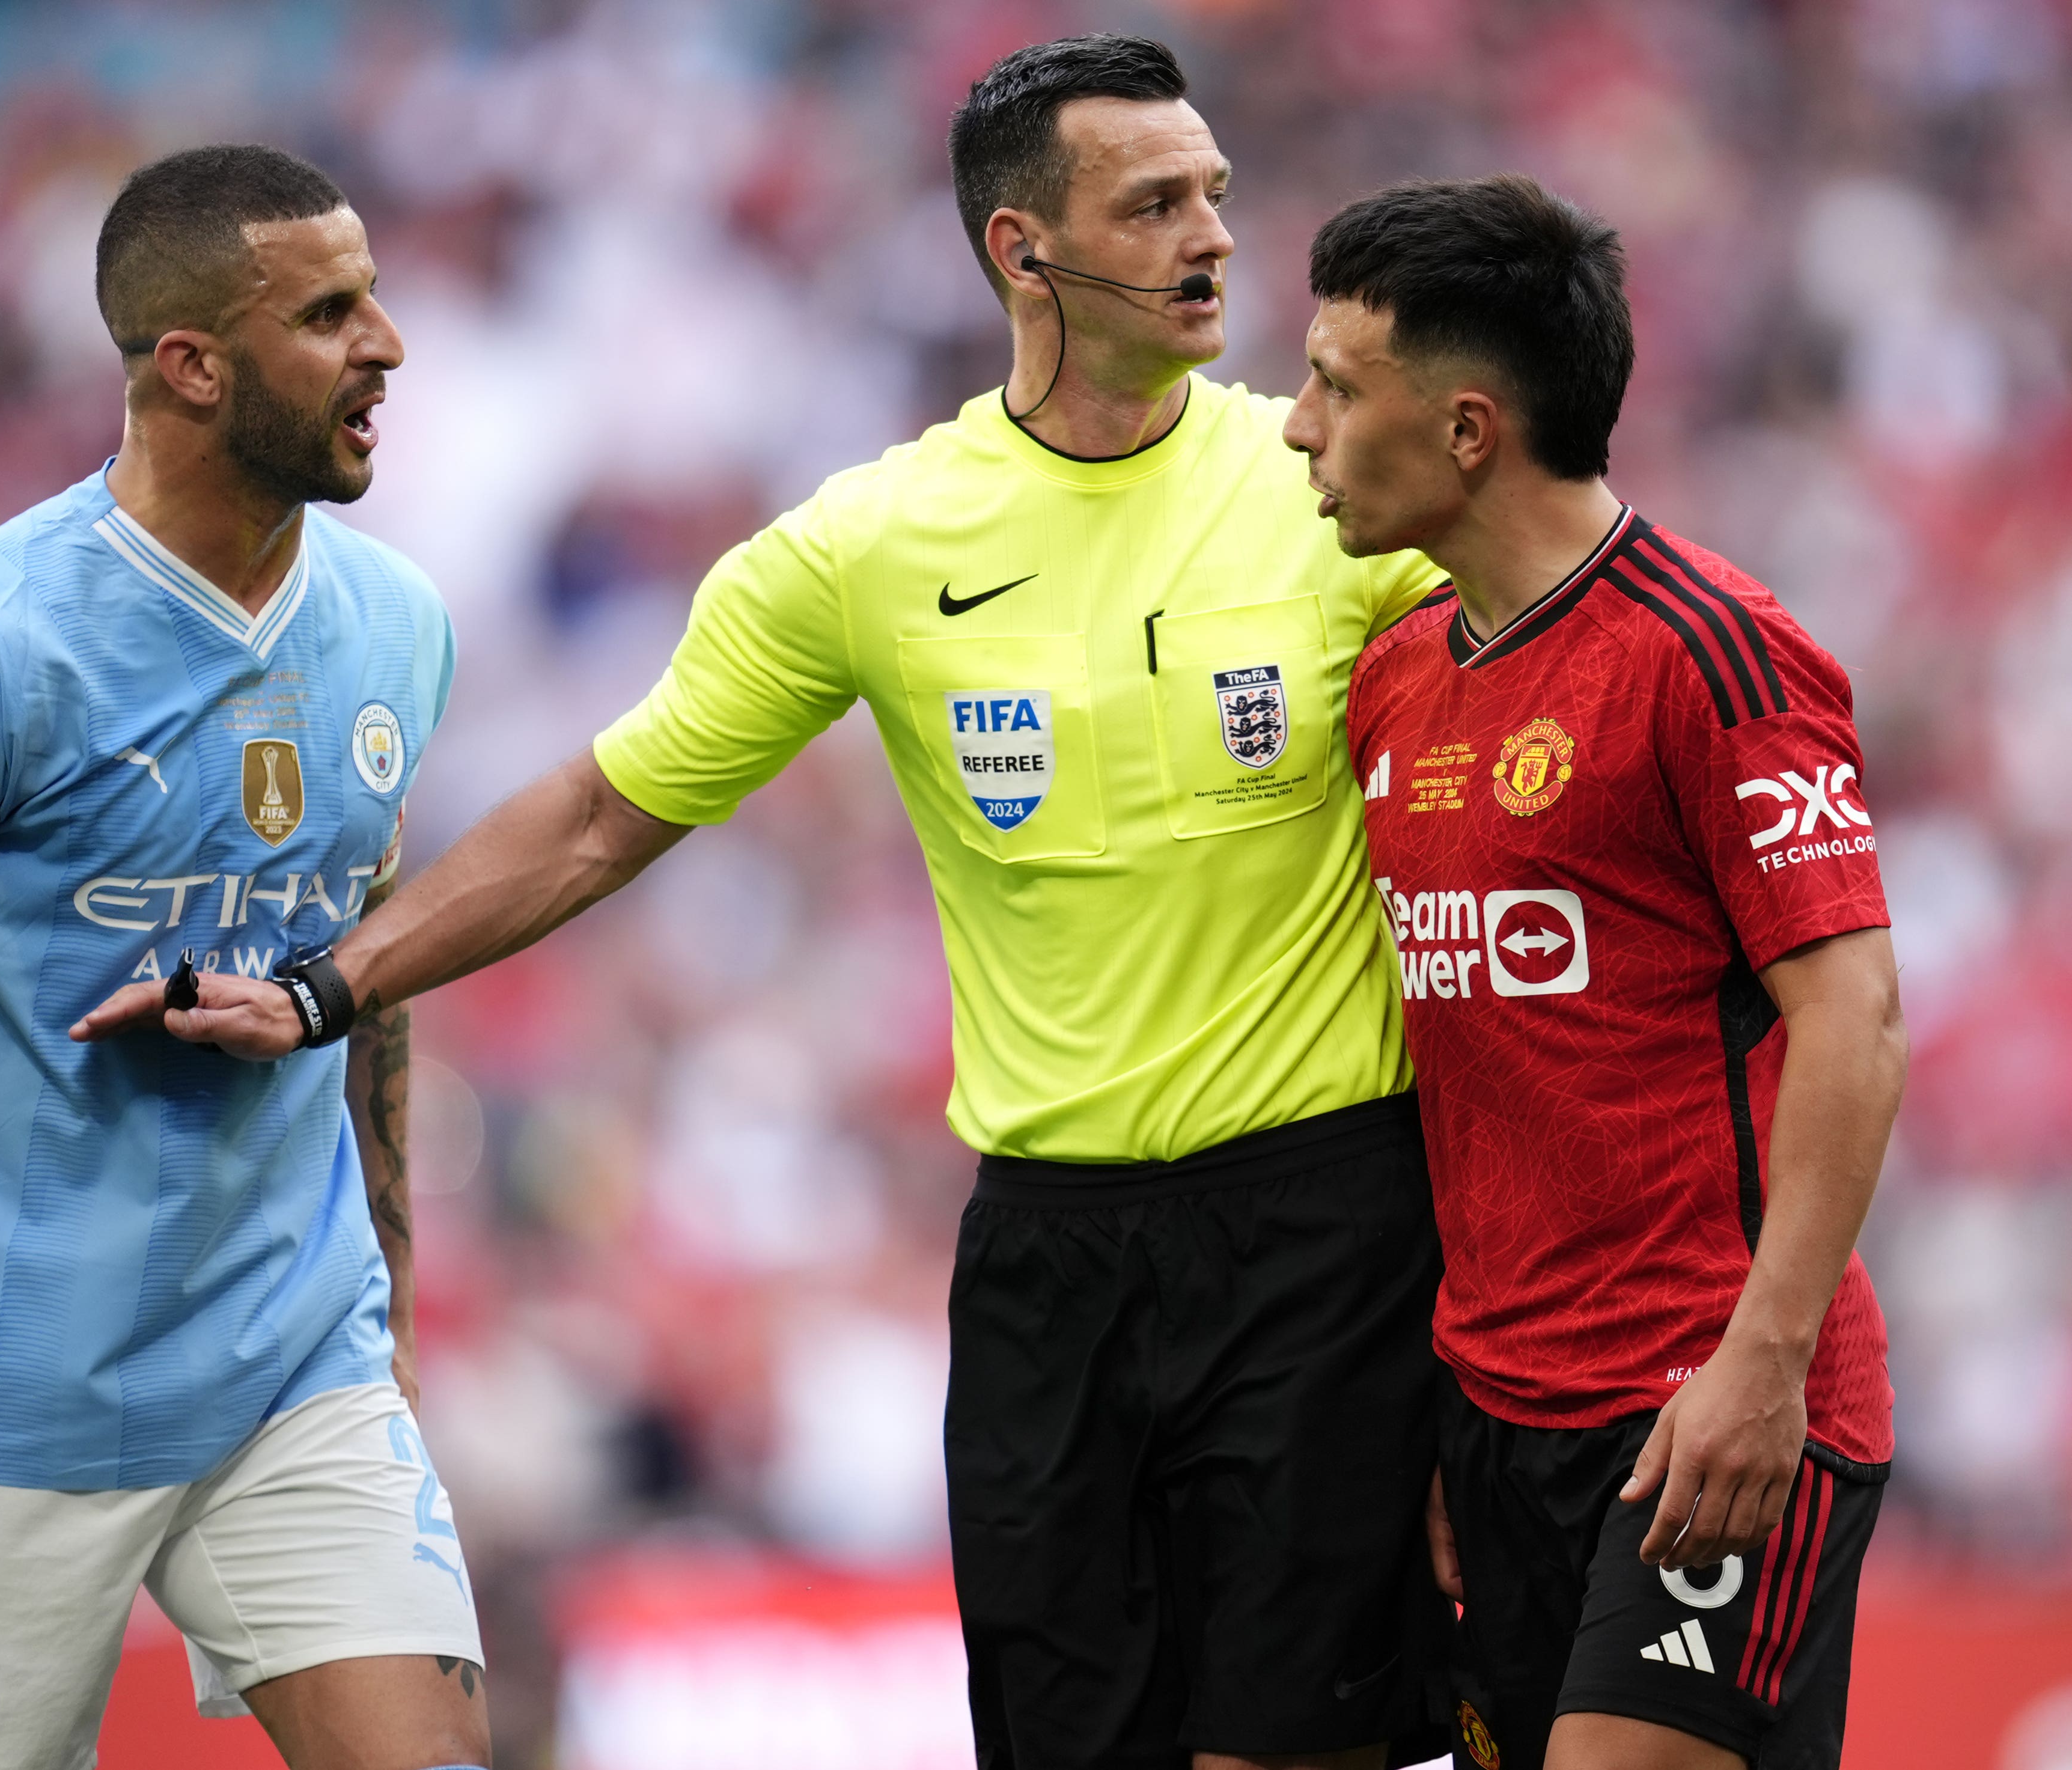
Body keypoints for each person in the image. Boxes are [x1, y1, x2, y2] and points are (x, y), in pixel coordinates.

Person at [157, 34, 1456, 1770]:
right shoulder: (871, 541)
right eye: (1153, 203)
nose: (1212, 235)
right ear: (1021, 250)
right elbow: (603, 814)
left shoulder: (1338, 494)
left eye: (1214, 193)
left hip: (1323, 1228)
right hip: (1049, 1260)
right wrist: (329, 983)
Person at [0, 144, 492, 1770]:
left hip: (292, 1366)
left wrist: (389, 1305)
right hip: (18, 1398)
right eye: (331, 311)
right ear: (189, 364)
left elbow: (364, 967)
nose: (388, 343)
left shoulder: (397, 621)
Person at [1286, 174, 1901, 1770]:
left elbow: (1854, 1017)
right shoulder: (1398, 677)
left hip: (1707, 1408)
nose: (1297, 427)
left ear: (1470, 428)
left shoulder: (1715, 653)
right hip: (1498, 1418)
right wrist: (1453, 1416)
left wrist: (1760, 1366)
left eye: (1334, 386)